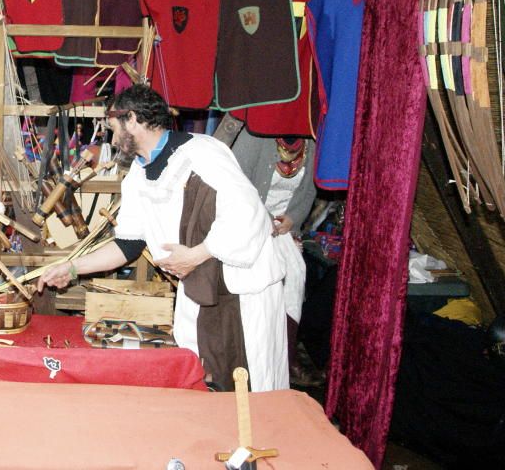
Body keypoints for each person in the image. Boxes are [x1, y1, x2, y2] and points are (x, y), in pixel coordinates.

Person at [38, 85, 289, 392]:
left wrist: (197, 254)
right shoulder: (137, 177)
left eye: (112, 128)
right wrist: (73, 268)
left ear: (131, 119)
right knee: (204, 374)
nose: (112, 138)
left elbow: (249, 213)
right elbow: (127, 244)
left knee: (246, 376)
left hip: (241, 285)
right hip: (198, 287)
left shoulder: (202, 153)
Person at [230, 127, 320, 387]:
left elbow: (308, 191)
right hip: (249, 226)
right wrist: (263, 220)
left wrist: (293, 218)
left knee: (293, 278)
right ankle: (247, 363)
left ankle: (284, 359)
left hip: (284, 230)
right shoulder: (254, 134)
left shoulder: (312, 140)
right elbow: (237, 185)